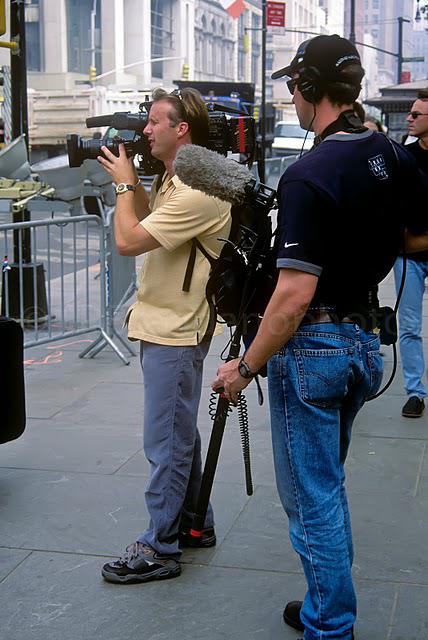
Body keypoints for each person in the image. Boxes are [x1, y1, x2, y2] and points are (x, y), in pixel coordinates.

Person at [213, 35, 428, 639]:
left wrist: (244, 369)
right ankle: (322, 604)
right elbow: (416, 237)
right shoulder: (389, 152)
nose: (290, 95)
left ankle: (331, 625)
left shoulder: (308, 173)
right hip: (362, 344)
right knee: (324, 491)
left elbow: (292, 296)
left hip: (312, 350)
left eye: (292, 85)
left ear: (310, 89)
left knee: (312, 500)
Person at [97, 87, 231, 584]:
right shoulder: (180, 178)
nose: (145, 129)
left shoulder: (199, 190)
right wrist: (136, 182)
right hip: (164, 325)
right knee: (179, 434)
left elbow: (130, 240)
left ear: (183, 130)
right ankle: (196, 525)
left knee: (165, 441)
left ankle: (160, 546)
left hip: (177, 331)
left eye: (155, 122)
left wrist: (123, 187)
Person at [393, 89, 428, 417]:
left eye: (417, 115)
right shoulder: (405, 157)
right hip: (408, 257)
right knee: (410, 326)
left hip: (417, 246)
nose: (410, 119)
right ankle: (416, 391)